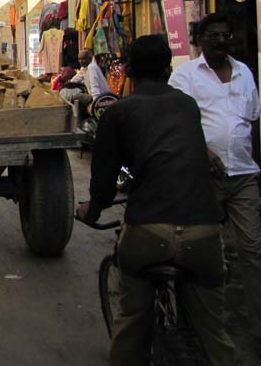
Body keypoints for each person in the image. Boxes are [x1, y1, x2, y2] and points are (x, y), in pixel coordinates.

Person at [77, 35, 235, 366]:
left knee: (133, 320)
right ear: (168, 69)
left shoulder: (118, 113)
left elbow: (104, 184)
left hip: (149, 232)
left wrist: (90, 212)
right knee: (214, 332)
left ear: (130, 70)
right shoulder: (187, 106)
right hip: (204, 231)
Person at [169, 13, 261, 365]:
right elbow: (179, 122)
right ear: (199, 39)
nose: (220, 40)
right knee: (200, 251)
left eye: (226, 35)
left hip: (243, 175)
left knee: (253, 252)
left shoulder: (244, 73)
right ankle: (194, 326)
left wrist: (259, 166)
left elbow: (251, 120)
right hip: (203, 176)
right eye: (212, 35)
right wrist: (203, 149)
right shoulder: (185, 75)